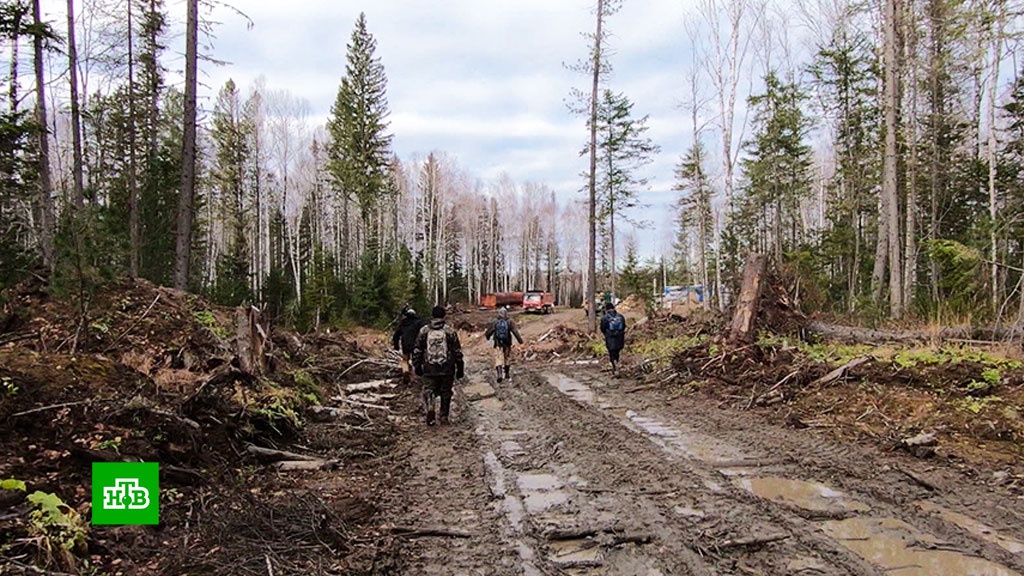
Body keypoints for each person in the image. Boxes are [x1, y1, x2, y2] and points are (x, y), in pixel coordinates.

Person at [412, 305, 465, 426]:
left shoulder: (424, 330)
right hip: (447, 368)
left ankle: (430, 408)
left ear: (432, 315)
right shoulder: (449, 331)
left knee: (429, 389)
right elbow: (457, 352)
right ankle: (444, 416)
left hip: (429, 367)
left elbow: (417, 350)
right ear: (443, 315)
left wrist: (417, 366)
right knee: (446, 392)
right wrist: (460, 367)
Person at [484, 307, 523, 382]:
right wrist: (520, 341)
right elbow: (515, 332)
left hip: (498, 343)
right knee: (507, 357)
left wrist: (488, 337)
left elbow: (489, 331)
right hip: (507, 343)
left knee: (498, 358)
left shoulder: (495, 321)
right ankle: (507, 374)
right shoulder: (510, 321)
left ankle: (499, 374)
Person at [391, 307, 427, 385]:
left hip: (405, 344)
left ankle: (405, 371)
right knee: (416, 361)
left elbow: (396, 335)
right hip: (416, 344)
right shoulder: (419, 322)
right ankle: (413, 378)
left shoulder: (403, 322)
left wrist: (396, 345)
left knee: (405, 360)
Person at [599, 302, 627, 375]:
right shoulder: (620, 316)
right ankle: (617, 363)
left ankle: (614, 368)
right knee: (617, 352)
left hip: (610, 337)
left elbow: (602, 328)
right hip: (619, 337)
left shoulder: (605, 317)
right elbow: (624, 326)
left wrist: (606, 334)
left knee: (611, 353)